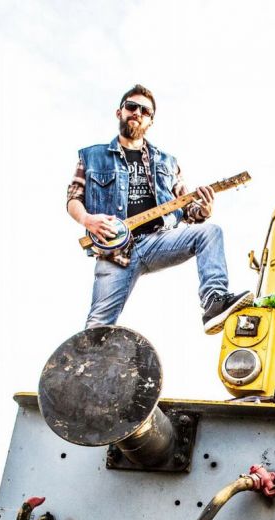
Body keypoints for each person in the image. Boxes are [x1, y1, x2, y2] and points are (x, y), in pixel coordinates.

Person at [67, 84, 251, 334]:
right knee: (97, 326)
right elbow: (74, 198)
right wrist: (87, 219)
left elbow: (188, 209)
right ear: (120, 112)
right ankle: (87, 359)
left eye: (145, 111)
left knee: (210, 232)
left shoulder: (167, 162)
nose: (137, 113)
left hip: (157, 241)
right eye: (132, 107)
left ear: (151, 121)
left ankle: (214, 301)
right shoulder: (92, 156)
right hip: (115, 251)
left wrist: (203, 210)